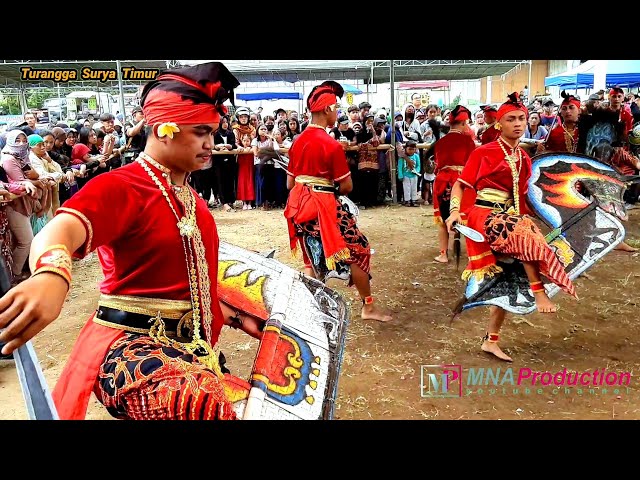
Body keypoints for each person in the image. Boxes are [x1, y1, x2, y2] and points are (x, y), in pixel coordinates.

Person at [0, 62, 266, 420]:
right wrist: (51, 275)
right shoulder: (122, 185)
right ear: (163, 129)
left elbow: (177, 275)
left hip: (186, 347)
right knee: (197, 402)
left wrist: (228, 313)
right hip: (128, 348)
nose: (210, 144)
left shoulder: (189, 197)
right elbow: (57, 232)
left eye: (213, 132)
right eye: (201, 132)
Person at [445, 93, 577, 362]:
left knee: (513, 270)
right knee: (524, 232)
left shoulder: (525, 158)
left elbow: (525, 198)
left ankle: (491, 340)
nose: (518, 124)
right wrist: (455, 211)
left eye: (522, 119)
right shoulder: (484, 152)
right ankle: (539, 293)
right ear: (498, 125)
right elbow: (461, 184)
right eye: (511, 119)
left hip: (510, 217)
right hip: (484, 214)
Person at [284, 81, 392, 323]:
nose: (338, 113)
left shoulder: (297, 142)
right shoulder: (331, 145)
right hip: (323, 206)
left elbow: (290, 184)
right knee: (359, 249)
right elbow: (347, 187)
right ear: (326, 110)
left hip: (298, 206)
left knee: (310, 256)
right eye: (337, 109)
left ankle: (312, 311)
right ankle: (368, 306)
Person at [431, 105, 476, 263]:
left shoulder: (440, 142)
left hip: (443, 181)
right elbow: (472, 163)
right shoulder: (468, 141)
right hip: (462, 181)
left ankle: (443, 254)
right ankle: (473, 256)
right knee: (467, 218)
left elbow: (437, 165)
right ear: (464, 123)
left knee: (444, 220)